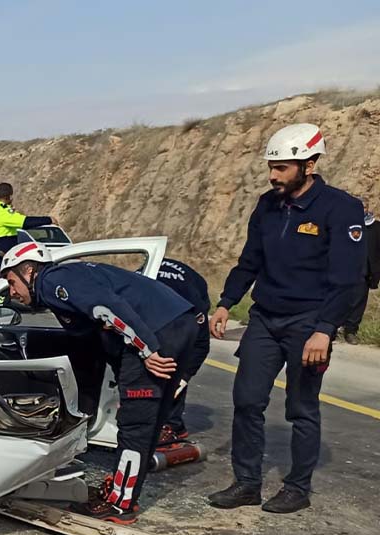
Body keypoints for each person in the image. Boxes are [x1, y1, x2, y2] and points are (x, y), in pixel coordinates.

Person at [208, 123, 366, 514]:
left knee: (301, 408)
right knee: (246, 401)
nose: (273, 175)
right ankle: (246, 483)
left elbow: (347, 280)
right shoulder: (267, 204)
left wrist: (324, 330)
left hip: (308, 322)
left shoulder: (340, 207)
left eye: (282, 167)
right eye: (271, 166)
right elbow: (250, 261)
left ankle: (298, 488)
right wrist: (226, 302)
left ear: (309, 165)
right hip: (265, 318)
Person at [0, 242, 202, 524]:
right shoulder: (71, 278)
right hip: (181, 322)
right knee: (149, 422)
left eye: (11, 282)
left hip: (157, 332)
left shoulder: (52, 282)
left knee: (134, 424)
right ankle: (124, 494)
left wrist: (148, 350)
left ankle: (120, 504)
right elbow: (94, 333)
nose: (12, 293)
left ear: (29, 270)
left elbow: (108, 309)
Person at [153, 258, 211, 445]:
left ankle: (172, 425)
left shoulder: (193, 309)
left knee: (174, 366)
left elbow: (201, 346)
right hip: (152, 298)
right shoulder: (129, 300)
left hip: (192, 288)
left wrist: (183, 379)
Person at [0, 182, 52, 281]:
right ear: (9, 197)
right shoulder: (2, 212)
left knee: (1, 295)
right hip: (2, 265)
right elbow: (25, 222)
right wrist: (49, 220)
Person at [341, 211, 379, 344]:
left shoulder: (377, 228)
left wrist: (375, 273)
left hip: (364, 273)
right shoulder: (347, 225)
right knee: (339, 299)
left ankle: (350, 331)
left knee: (358, 304)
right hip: (345, 270)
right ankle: (332, 328)